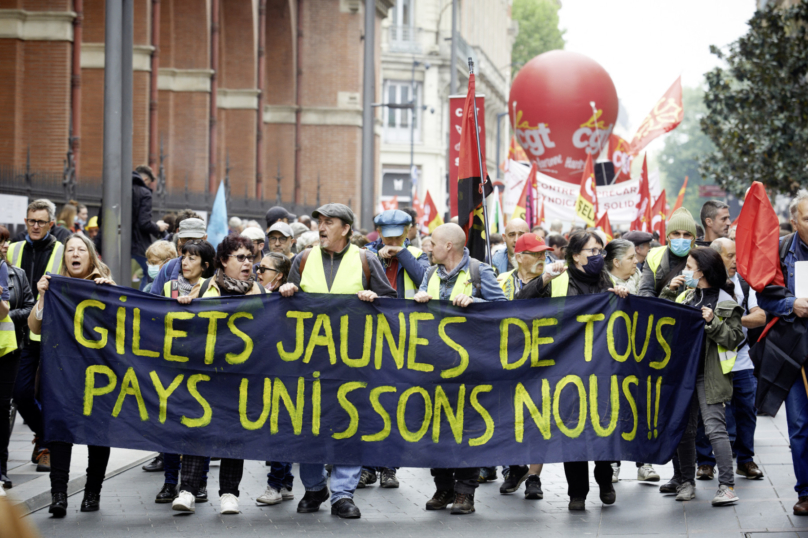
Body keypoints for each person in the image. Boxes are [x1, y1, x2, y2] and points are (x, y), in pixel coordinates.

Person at [279, 203, 396, 519]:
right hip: (309, 363)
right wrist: (286, 291)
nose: (321, 227)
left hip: (353, 366)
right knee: (309, 427)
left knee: (348, 426)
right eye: (319, 222)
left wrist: (377, 299)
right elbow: (285, 313)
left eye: (328, 222)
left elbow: (392, 307)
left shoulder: (366, 260)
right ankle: (315, 487)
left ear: (345, 228)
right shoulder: (303, 260)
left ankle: (342, 494)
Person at [413, 223, 507, 515]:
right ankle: (443, 488)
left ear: (449, 246)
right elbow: (416, 304)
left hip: (471, 368)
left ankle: (465, 492)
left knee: (468, 428)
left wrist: (475, 301)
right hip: (433, 365)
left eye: (432, 243)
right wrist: (418, 300)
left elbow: (503, 309)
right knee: (435, 427)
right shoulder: (429, 273)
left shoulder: (481, 272)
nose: (428, 247)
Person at [172, 235, 265, 516]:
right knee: (197, 429)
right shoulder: (203, 290)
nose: (248, 263)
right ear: (224, 262)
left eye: (250, 258)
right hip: (205, 376)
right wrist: (186, 310)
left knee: (233, 434)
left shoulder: (259, 292)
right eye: (241, 257)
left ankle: (229, 494)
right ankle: (187, 490)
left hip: (241, 377)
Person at [28, 234, 115, 517]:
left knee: (98, 434)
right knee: (59, 432)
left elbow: (122, 325)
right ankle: (59, 495)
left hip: (98, 375)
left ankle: (92, 494)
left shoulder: (105, 284)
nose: (74, 254)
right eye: (70, 250)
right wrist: (42, 295)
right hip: (62, 374)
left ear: (90, 255)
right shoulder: (54, 285)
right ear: (65, 256)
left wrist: (112, 292)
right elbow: (35, 327)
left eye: (80, 249)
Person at [545, 231, 629, 510]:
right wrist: (544, 278)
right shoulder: (558, 280)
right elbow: (524, 301)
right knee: (572, 431)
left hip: (601, 369)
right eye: (592, 251)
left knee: (603, 426)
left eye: (600, 251)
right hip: (567, 370)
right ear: (575, 255)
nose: (598, 257)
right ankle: (577, 493)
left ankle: (605, 480)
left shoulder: (607, 282)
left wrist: (622, 299)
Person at [660, 247, 744, 506]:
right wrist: (667, 292)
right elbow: (662, 320)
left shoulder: (725, 302)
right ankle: (686, 482)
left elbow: (734, 339)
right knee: (684, 430)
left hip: (709, 376)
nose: (685, 271)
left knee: (715, 429)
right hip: (683, 375)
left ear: (702, 271)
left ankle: (727, 486)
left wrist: (713, 322)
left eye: (689, 266)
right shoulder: (686, 296)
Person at [690, 238, 765, 482]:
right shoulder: (690, 293)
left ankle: (745, 460)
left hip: (739, 357)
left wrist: (728, 318)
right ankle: (705, 463)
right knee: (707, 413)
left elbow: (760, 317)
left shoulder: (743, 283)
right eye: (729, 256)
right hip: (710, 362)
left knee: (746, 409)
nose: (735, 261)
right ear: (714, 259)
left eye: (736, 255)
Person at [495, 233, 559, 498]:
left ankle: (534, 477)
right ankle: (515, 466)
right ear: (519, 257)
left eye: (544, 253)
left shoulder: (557, 280)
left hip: (544, 358)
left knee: (539, 418)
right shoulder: (500, 282)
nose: (542, 258)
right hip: (507, 359)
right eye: (535, 253)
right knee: (508, 417)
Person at [756, 190, 808, 515]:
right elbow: (764, 298)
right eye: (807, 217)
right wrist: (792, 304)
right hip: (793, 351)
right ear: (794, 220)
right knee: (800, 425)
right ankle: (805, 492)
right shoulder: (780, 250)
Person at [153, 239, 216, 505]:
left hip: (201, 368)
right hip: (172, 365)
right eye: (184, 257)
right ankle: (170, 482)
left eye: (192, 258)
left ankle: (198, 482)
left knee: (199, 426)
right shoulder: (168, 286)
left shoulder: (212, 288)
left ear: (205, 265)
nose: (185, 262)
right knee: (170, 427)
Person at [7, 199, 66, 473]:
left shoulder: (63, 252)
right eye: (31, 220)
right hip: (19, 334)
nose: (35, 226)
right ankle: (47, 437)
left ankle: (46, 449)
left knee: (48, 394)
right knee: (20, 392)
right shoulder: (14, 248)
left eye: (41, 221)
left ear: (51, 224)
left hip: (51, 334)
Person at [603, 238, 660, 482]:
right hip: (611, 359)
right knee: (614, 408)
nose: (636, 261)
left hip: (640, 356)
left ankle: (643, 462)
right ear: (615, 262)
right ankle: (613, 462)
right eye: (630, 258)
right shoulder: (601, 285)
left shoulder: (643, 280)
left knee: (641, 408)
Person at [0, 227, 34, 490]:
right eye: (0, 242)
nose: (4, 246)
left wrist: (6, 313)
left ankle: (1, 469)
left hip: (8, 349)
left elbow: (27, 308)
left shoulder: (15, 274)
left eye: (5, 241)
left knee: (2, 410)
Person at [638, 207, 698, 299]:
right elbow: (645, 291)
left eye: (687, 234)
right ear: (667, 236)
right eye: (676, 233)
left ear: (694, 238)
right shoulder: (654, 255)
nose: (681, 239)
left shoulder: (703, 256)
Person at [148, 217, 207, 301]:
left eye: (194, 240)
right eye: (185, 239)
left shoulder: (217, 270)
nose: (189, 244)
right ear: (179, 240)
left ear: (205, 238)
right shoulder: (168, 268)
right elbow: (153, 302)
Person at [132, 166, 169, 290]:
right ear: (146, 178)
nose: (148, 186)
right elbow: (144, 223)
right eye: (149, 183)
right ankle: (143, 300)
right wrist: (158, 227)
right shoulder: (144, 192)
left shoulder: (120, 188)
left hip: (118, 242)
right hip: (137, 243)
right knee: (149, 271)